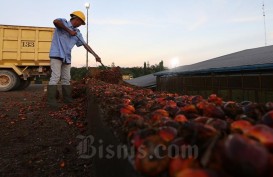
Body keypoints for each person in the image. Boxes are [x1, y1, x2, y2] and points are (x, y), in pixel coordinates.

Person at [47, 11, 101, 108]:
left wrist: (95, 55)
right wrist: (69, 31)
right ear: (77, 19)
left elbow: (85, 45)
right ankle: (51, 102)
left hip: (67, 57)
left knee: (67, 79)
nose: (80, 25)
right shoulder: (63, 22)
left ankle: (67, 99)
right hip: (56, 54)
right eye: (81, 23)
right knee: (55, 77)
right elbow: (55, 22)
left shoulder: (78, 33)